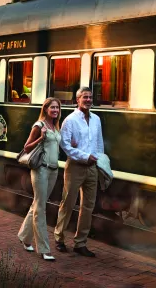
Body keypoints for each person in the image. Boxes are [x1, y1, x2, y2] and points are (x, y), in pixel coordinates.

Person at [53, 86, 103, 257]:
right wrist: (84, 156)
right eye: (85, 97)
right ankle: (59, 238)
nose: (88, 100)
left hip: (92, 168)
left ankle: (80, 243)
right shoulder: (70, 120)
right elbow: (65, 145)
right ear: (78, 100)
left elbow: (99, 143)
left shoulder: (96, 119)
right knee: (68, 203)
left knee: (88, 206)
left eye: (90, 97)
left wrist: (98, 159)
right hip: (75, 166)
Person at [17, 97, 62, 261]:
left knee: (37, 204)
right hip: (41, 169)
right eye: (52, 107)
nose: (55, 110)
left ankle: (24, 236)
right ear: (46, 108)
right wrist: (40, 138)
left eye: (57, 108)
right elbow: (26, 147)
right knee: (40, 208)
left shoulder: (55, 126)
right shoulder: (39, 125)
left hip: (53, 171)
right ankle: (44, 249)